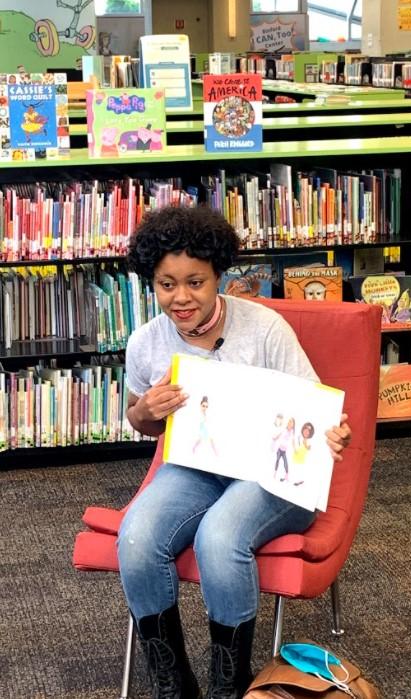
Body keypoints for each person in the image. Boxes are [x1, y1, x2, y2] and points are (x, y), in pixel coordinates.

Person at [118, 205, 352, 699]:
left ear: (218, 276)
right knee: (136, 537)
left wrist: (333, 432)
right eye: (166, 284)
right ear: (151, 283)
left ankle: (230, 684)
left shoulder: (264, 328)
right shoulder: (145, 343)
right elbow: (139, 422)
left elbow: (313, 413)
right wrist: (147, 413)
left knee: (220, 536)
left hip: (274, 475)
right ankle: (172, 682)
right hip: (198, 467)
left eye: (196, 282)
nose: (181, 297)